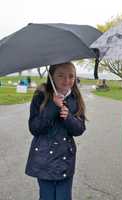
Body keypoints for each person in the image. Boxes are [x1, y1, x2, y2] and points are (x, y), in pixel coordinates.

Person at [25, 62, 86, 200]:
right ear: (51, 77)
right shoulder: (41, 95)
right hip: (44, 158)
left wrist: (68, 117)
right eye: (61, 75)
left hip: (66, 159)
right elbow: (34, 128)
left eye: (71, 76)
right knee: (47, 196)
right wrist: (52, 107)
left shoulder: (75, 98)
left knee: (64, 197)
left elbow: (80, 129)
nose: (67, 80)